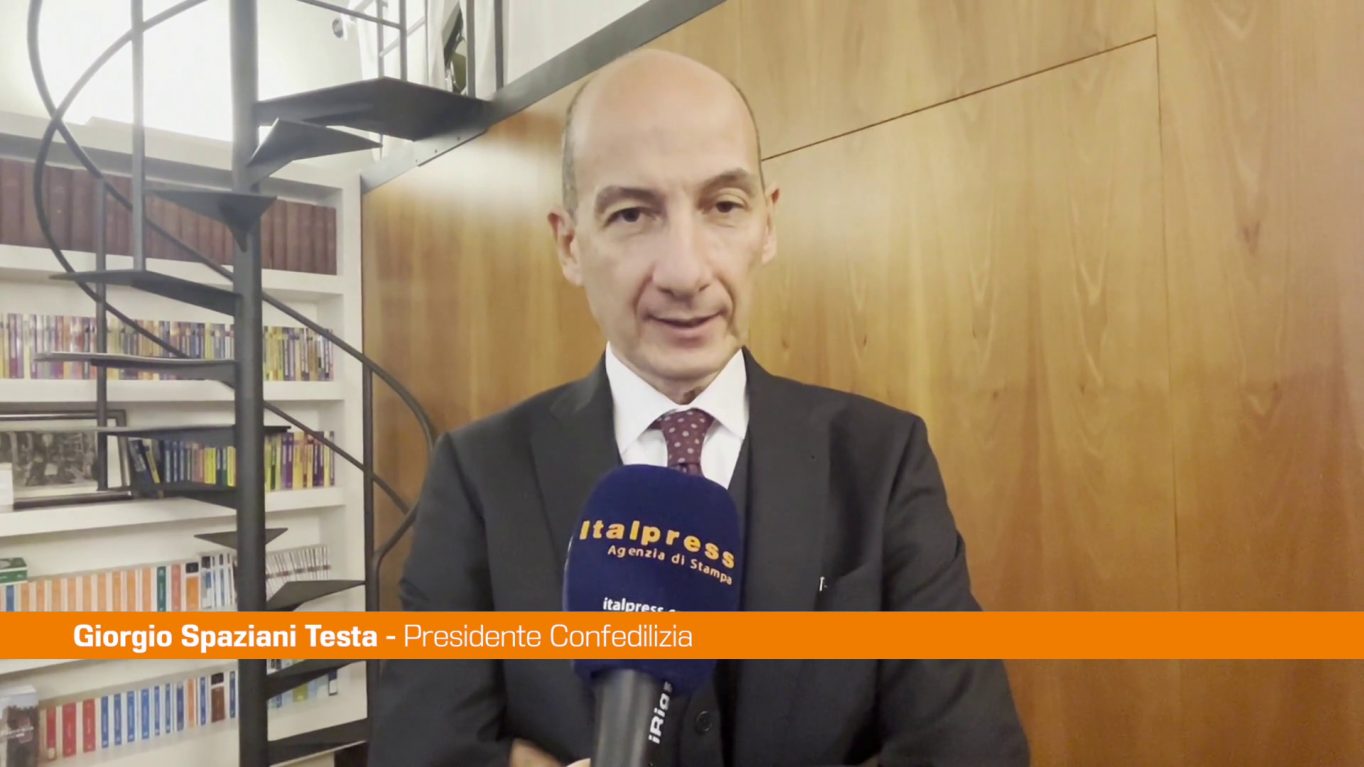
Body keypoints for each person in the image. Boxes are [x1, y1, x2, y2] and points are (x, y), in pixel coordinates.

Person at [369, 49, 1029, 767]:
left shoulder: (883, 460)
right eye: (631, 213)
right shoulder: (478, 476)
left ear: (767, 225)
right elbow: (418, 750)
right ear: (570, 243)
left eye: (723, 207)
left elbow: (973, 750)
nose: (686, 272)